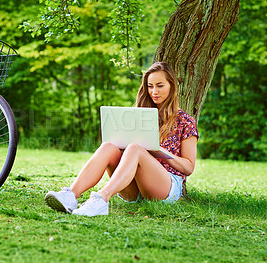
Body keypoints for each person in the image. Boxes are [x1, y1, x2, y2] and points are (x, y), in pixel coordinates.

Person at [44, 62, 199, 216]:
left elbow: (189, 167)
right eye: (150, 86)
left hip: (167, 186)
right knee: (108, 146)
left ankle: (101, 199)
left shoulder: (185, 121)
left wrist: (160, 151)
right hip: (133, 186)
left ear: (172, 86)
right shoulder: (138, 115)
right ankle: (71, 195)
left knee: (135, 148)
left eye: (160, 86)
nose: (154, 91)